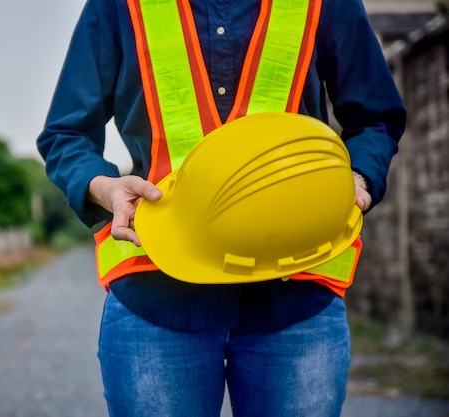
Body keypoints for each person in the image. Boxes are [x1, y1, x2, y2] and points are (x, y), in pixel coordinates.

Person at [37, 0, 406, 416]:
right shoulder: (118, 5)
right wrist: (103, 187)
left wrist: (360, 177)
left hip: (295, 295)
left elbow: (376, 115)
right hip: (155, 292)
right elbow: (66, 134)